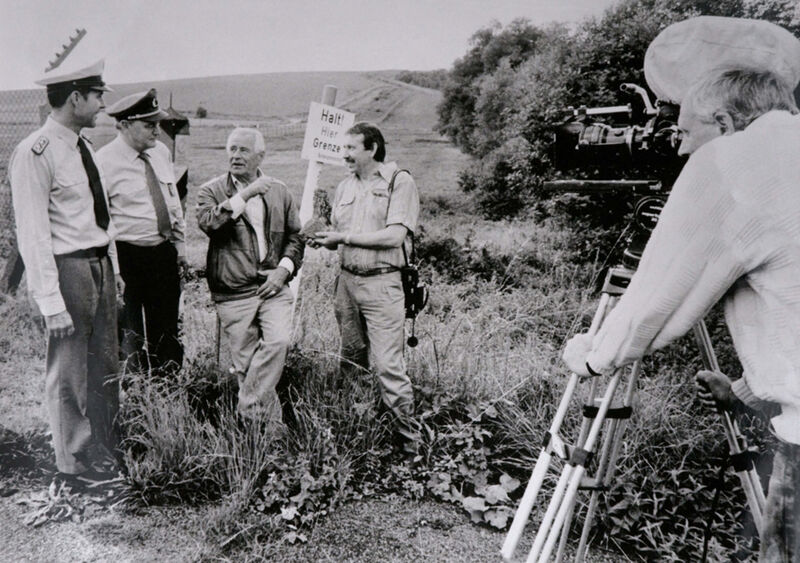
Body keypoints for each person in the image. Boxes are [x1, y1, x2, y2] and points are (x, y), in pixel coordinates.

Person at [562, 67, 800, 561]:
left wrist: (595, 356)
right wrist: (743, 391)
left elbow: (661, 293)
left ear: (725, 123)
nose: (681, 150)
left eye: (686, 133)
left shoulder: (736, 160)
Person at [8, 60, 121, 485]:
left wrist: (113, 271)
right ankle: (74, 462)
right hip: (68, 268)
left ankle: (104, 450)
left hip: (99, 265)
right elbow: (33, 234)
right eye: (97, 95)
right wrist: (51, 303)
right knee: (70, 369)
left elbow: (100, 218)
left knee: (105, 364)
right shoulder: (35, 152)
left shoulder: (83, 146)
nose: (103, 104)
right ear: (75, 97)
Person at [311, 122, 420, 438]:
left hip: (382, 285)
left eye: (350, 149)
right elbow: (339, 238)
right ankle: (359, 430)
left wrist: (343, 236)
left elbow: (394, 235)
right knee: (351, 359)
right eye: (343, 149)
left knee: (389, 367)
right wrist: (325, 240)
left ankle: (408, 444)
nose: (344, 155)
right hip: (347, 284)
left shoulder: (399, 182)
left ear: (372, 149)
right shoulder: (344, 187)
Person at [196, 127, 303, 425]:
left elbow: (296, 237)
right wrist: (245, 194)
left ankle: (246, 408)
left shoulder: (280, 190)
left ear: (260, 156)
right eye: (231, 149)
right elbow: (209, 223)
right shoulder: (211, 191)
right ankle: (269, 439)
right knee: (245, 365)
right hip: (233, 291)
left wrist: (283, 271)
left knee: (278, 342)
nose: (235, 155)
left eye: (243, 150)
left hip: (274, 286)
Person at [97, 89, 185, 375]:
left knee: (167, 334)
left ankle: (167, 396)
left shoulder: (160, 153)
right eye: (149, 125)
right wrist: (115, 270)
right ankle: (135, 400)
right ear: (123, 125)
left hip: (162, 254)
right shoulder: (103, 162)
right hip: (126, 256)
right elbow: (101, 222)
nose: (157, 132)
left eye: (158, 124)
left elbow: (173, 203)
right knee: (129, 337)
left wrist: (180, 249)